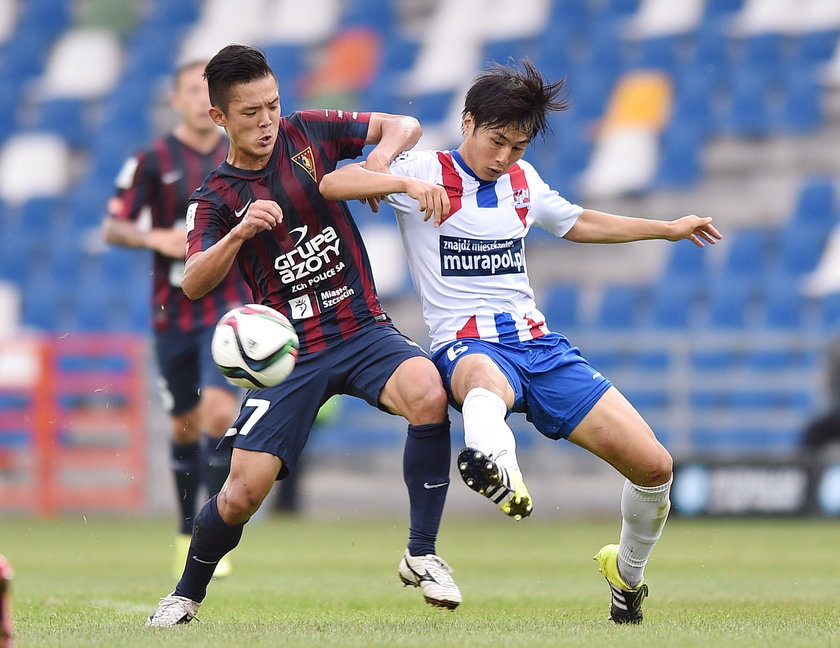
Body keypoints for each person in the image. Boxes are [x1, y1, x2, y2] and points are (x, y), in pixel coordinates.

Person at [319, 59, 723, 624]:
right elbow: (335, 182)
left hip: (540, 347)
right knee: (483, 382)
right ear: (467, 123)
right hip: (464, 344)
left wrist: (666, 227)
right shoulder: (426, 169)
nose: (505, 156)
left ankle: (626, 576)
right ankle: (499, 466)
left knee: (655, 467)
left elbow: (577, 221)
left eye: (519, 145)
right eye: (496, 140)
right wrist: (400, 181)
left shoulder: (523, 182)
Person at [145, 45, 459, 627]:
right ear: (219, 118)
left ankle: (422, 552)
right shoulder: (214, 198)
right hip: (291, 355)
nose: (266, 121)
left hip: (362, 328)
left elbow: (404, 124)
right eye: (250, 113)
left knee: (428, 392)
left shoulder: (309, 132)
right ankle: (185, 593)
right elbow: (192, 281)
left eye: (272, 105)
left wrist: (376, 166)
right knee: (241, 494)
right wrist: (238, 235)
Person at [102, 61, 250, 578]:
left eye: (207, 89)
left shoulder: (241, 155)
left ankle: (213, 527)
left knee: (215, 412)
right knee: (183, 425)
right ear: (178, 100)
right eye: (191, 89)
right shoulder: (152, 159)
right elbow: (113, 226)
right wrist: (152, 237)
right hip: (172, 311)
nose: (200, 98)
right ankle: (187, 529)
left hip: (228, 301)